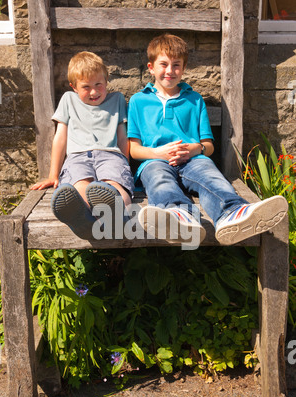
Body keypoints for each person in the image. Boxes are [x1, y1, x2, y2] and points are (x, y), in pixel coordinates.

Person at [127, 33, 288, 248]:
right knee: (159, 180)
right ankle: (179, 216)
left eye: (176, 65)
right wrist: (159, 153)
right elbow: (134, 150)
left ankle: (232, 213)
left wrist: (196, 149)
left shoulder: (194, 100)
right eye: (163, 64)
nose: (170, 71)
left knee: (210, 176)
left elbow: (208, 146)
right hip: (154, 161)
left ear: (183, 69)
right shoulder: (139, 101)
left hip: (193, 160)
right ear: (151, 67)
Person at [31, 51, 134, 239]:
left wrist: (125, 164)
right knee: (79, 186)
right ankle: (85, 222)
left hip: (110, 154)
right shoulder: (68, 100)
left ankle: (119, 216)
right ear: (74, 87)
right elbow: (60, 137)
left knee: (113, 184)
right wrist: (53, 175)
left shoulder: (117, 99)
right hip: (78, 156)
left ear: (106, 81)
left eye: (98, 85)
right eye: (86, 87)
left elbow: (122, 136)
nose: (94, 92)